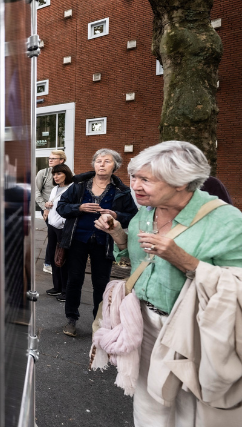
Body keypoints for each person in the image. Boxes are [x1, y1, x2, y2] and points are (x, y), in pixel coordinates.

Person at [93, 141, 242, 426]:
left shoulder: (226, 220)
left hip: (195, 330)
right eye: (134, 176)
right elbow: (135, 262)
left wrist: (184, 260)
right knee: (150, 404)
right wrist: (119, 236)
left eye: (146, 179)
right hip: (146, 324)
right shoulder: (146, 213)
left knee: (192, 408)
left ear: (181, 182)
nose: (134, 185)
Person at [56, 148, 138, 337]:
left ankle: (99, 321)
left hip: (104, 242)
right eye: (99, 160)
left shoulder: (122, 192)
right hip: (77, 239)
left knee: (101, 283)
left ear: (115, 166)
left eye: (107, 161)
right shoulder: (79, 185)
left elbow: (133, 217)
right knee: (74, 280)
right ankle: (71, 319)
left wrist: (116, 215)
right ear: (94, 164)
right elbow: (61, 207)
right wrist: (79, 207)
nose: (102, 164)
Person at [44, 163, 73, 301]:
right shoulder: (55, 189)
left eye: (59, 174)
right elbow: (51, 204)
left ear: (66, 174)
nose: (56, 176)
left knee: (63, 259)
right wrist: (47, 206)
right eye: (54, 174)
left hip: (63, 229)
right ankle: (57, 287)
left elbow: (71, 209)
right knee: (53, 257)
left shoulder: (72, 188)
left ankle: (66, 291)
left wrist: (62, 222)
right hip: (52, 227)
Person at [36, 150, 67, 274]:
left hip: (63, 211)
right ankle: (48, 263)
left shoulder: (67, 173)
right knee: (54, 236)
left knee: (61, 237)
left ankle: (58, 261)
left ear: (62, 160)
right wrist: (45, 207)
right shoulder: (43, 173)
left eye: (54, 158)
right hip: (48, 210)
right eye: (49, 158)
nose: (50, 160)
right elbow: (36, 191)